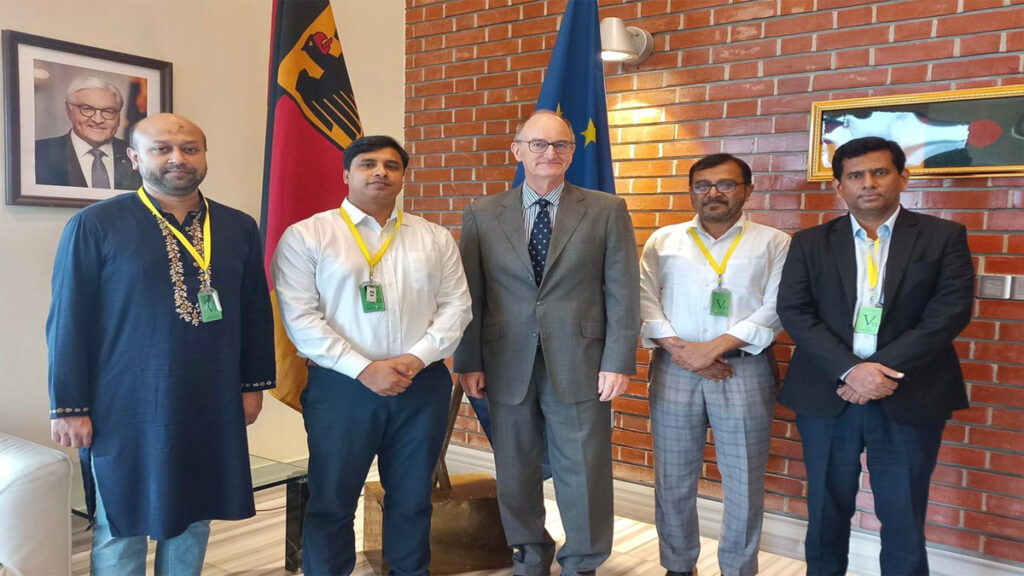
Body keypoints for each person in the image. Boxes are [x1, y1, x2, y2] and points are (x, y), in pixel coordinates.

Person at [47, 113, 276, 575]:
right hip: (122, 404)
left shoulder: (237, 226)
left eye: (190, 148)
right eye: (161, 149)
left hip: (210, 399)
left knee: (195, 515)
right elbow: (68, 320)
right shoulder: (95, 224)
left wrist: (253, 385)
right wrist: (68, 406)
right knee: (121, 524)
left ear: (204, 156)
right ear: (134, 158)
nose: (178, 158)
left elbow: (255, 312)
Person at [272, 135, 471, 575]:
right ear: (346, 174)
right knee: (331, 501)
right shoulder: (308, 235)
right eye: (367, 164)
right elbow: (300, 319)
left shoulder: (433, 237)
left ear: (403, 176)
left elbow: (457, 307)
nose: (380, 171)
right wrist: (364, 369)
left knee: (412, 499)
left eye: (391, 165)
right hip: (341, 388)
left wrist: (416, 359)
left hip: (421, 385)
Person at [454, 110, 641, 575]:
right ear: (517, 150)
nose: (549, 153)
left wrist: (618, 359)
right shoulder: (482, 213)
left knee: (584, 469)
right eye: (538, 144)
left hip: (582, 361)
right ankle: (528, 554)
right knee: (515, 468)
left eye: (560, 145)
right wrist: (468, 360)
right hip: (504, 361)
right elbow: (471, 293)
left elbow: (623, 291)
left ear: (572, 153)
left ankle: (583, 561)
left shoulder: (606, 209)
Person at [777, 137, 974, 575]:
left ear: (903, 178)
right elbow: (795, 311)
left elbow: (949, 313)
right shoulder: (809, 243)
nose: (868, 183)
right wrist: (850, 370)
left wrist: (877, 372)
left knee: (903, 515)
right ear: (839, 187)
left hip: (910, 394)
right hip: (828, 395)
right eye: (855, 175)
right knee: (825, 512)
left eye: (879, 172)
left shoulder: (943, 237)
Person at [639, 154, 790, 576]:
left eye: (726, 184)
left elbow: (778, 306)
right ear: (691, 191)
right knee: (672, 477)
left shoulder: (775, 242)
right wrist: (682, 351)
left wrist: (712, 350)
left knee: (743, 479)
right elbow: (642, 297)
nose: (713, 193)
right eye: (702, 185)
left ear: (748, 190)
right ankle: (677, 565)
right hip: (674, 367)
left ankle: (738, 568)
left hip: (744, 368)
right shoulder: (663, 240)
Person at [35, 76, 140, 190]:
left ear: (119, 116)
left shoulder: (139, 156)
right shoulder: (39, 152)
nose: (98, 120)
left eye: (108, 111)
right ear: (69, 111)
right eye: (87, 109)